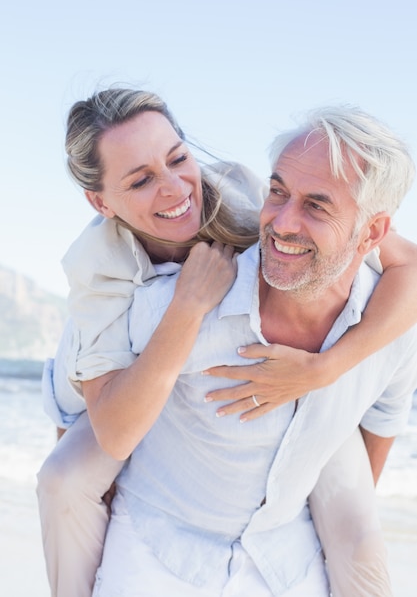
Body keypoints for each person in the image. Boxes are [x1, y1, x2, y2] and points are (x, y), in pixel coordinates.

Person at [36, 90, 417, 596]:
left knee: (361, 541)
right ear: (102, 201)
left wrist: (324, 369)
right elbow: (108, 427)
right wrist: (189, 307)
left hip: (291, 456)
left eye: (177, 159)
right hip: (100, 382)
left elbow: (402, 260)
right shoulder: (103, 274)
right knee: (64, 480)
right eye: (141, 179)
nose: (175, 189)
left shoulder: (239, 189)